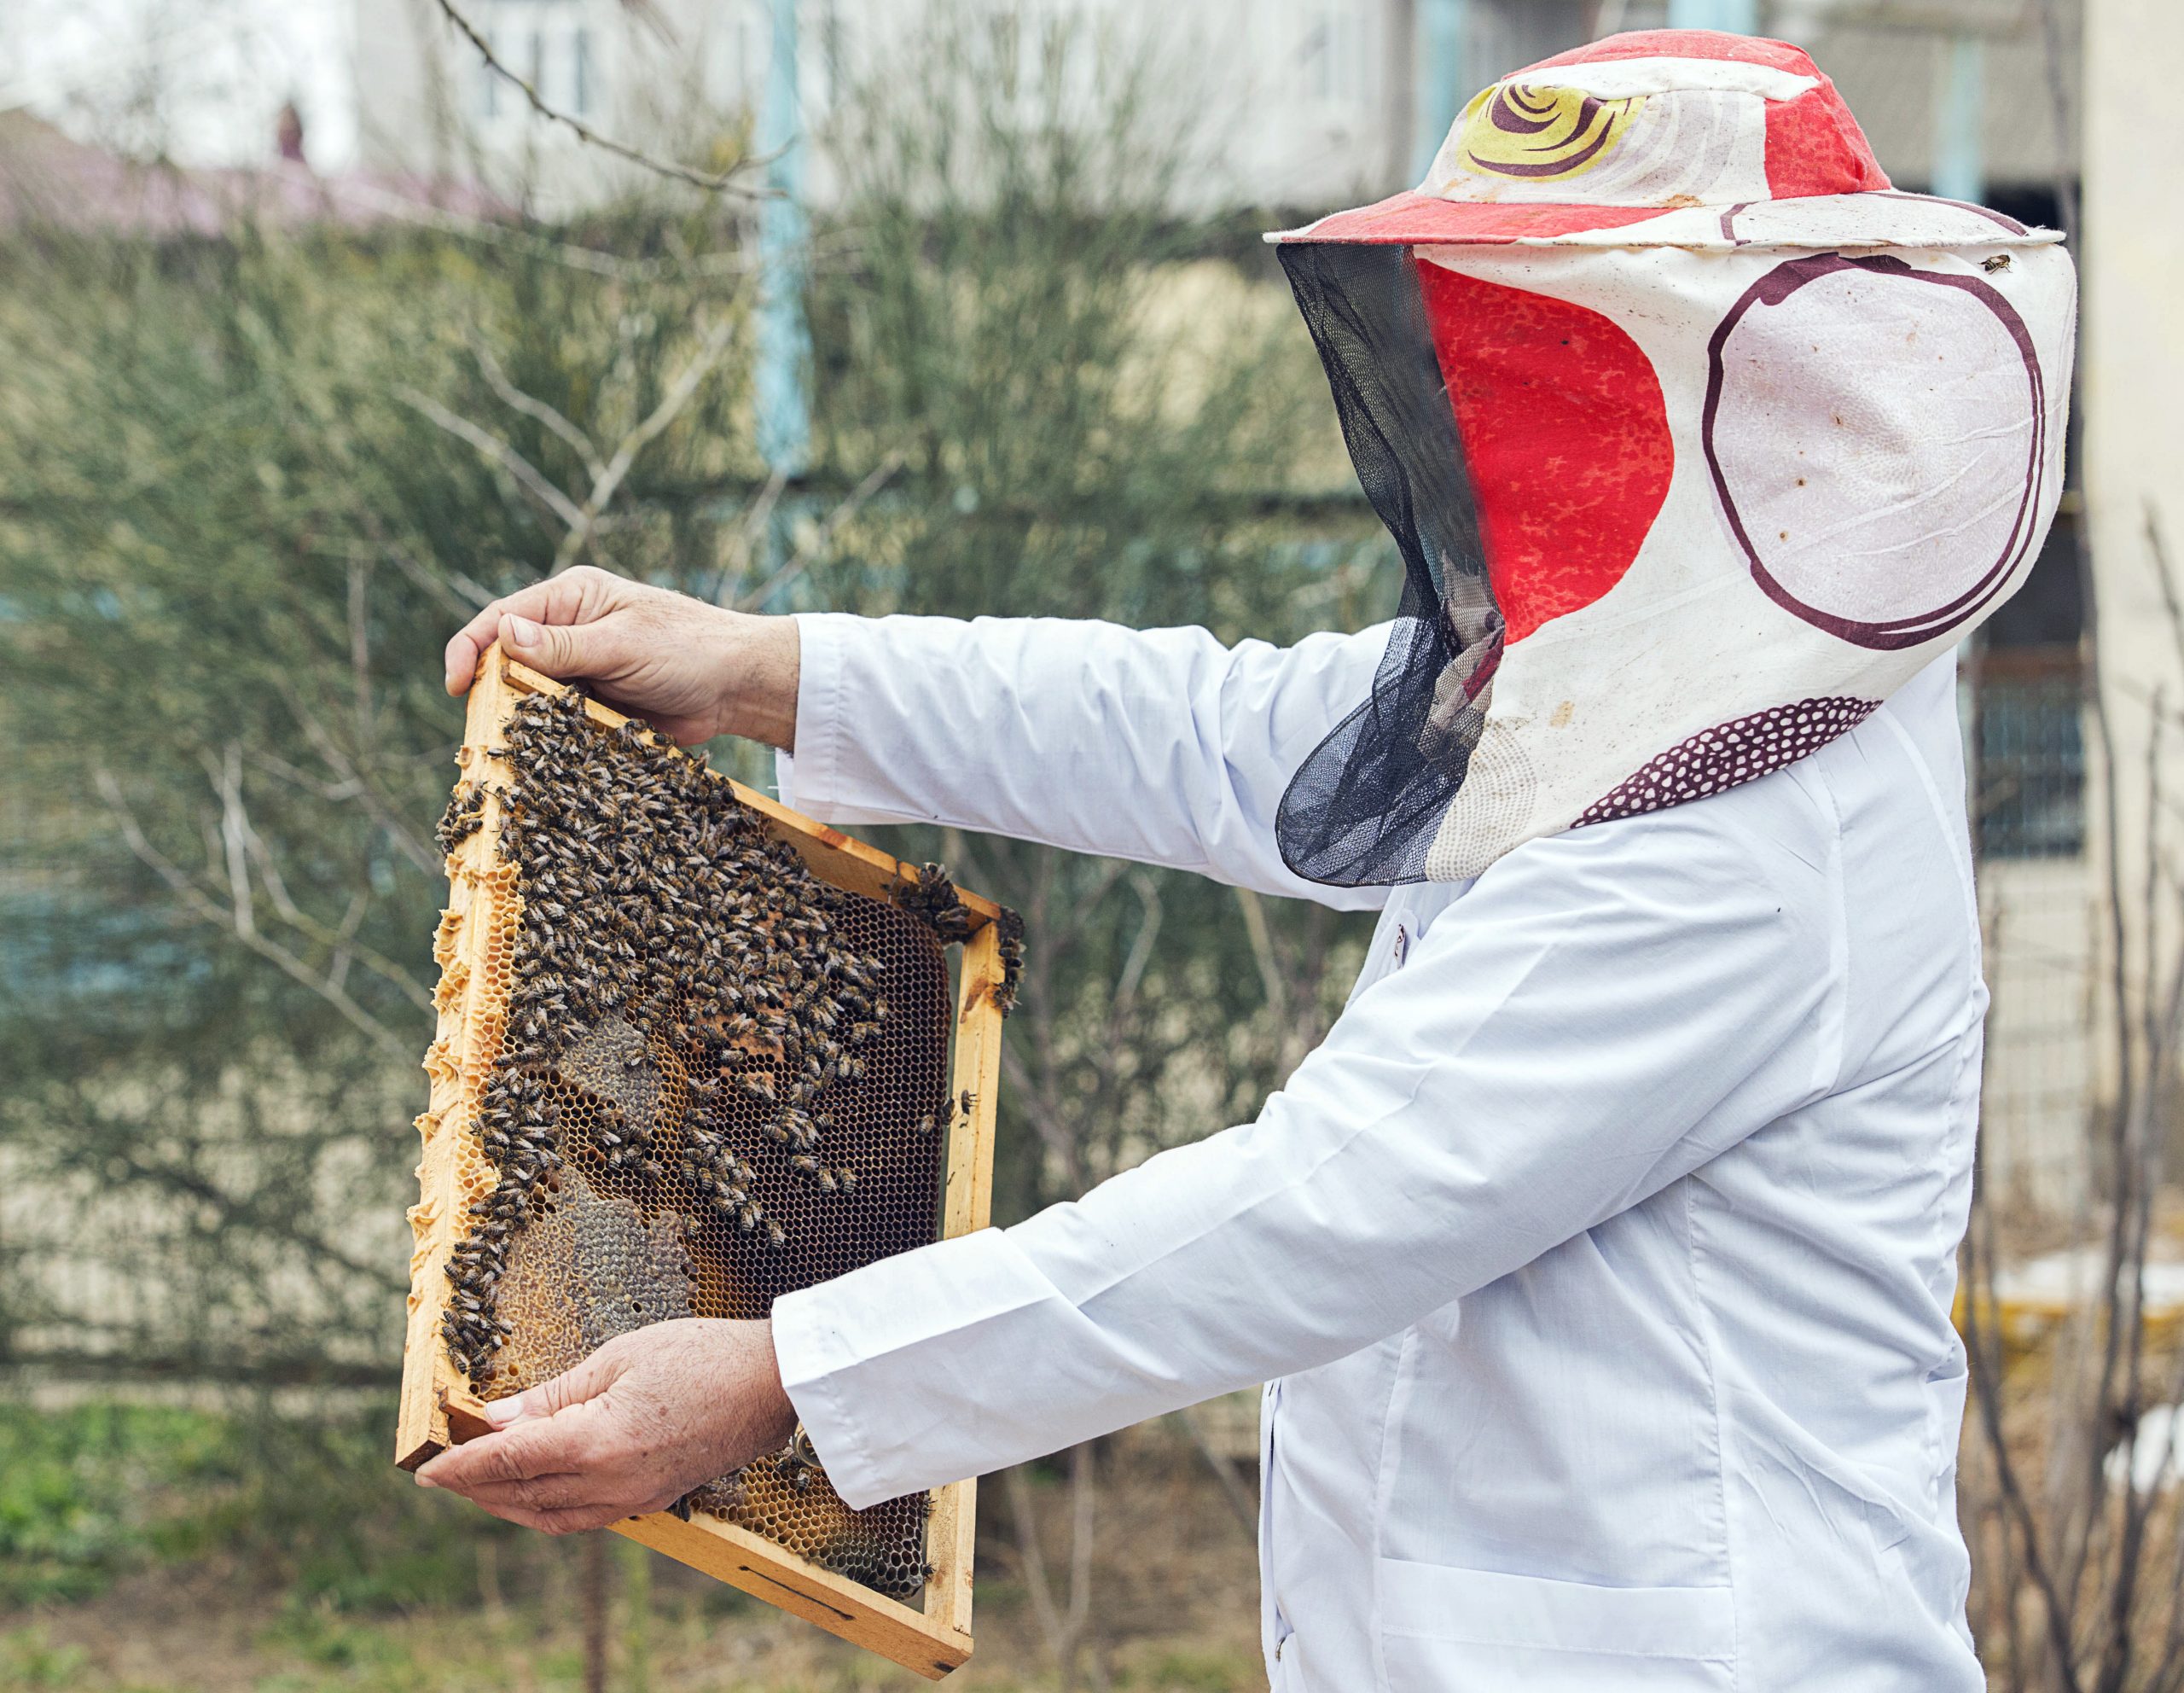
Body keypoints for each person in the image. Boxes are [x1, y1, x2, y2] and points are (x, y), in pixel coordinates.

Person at [417, 30, 2077, 1691]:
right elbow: (1216, 727)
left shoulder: (1753, 831)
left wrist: (796, 1370)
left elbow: (1330, 1208)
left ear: (1740, 384)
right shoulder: (1632, 680)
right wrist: (769, 666)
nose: (1490, 411)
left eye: (1553, 359)